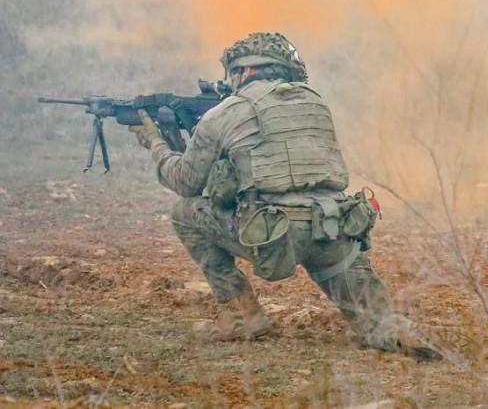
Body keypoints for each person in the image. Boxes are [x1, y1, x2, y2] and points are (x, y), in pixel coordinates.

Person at [129, 32, 438, 356]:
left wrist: (156, 144)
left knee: (184, 212)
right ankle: (395, 332)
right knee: (375, 319)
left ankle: (240, 316)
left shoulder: (224, 113)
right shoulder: (315, 103)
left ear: (245, 71)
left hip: (271, 235)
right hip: (332, 229)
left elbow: (186, 182)